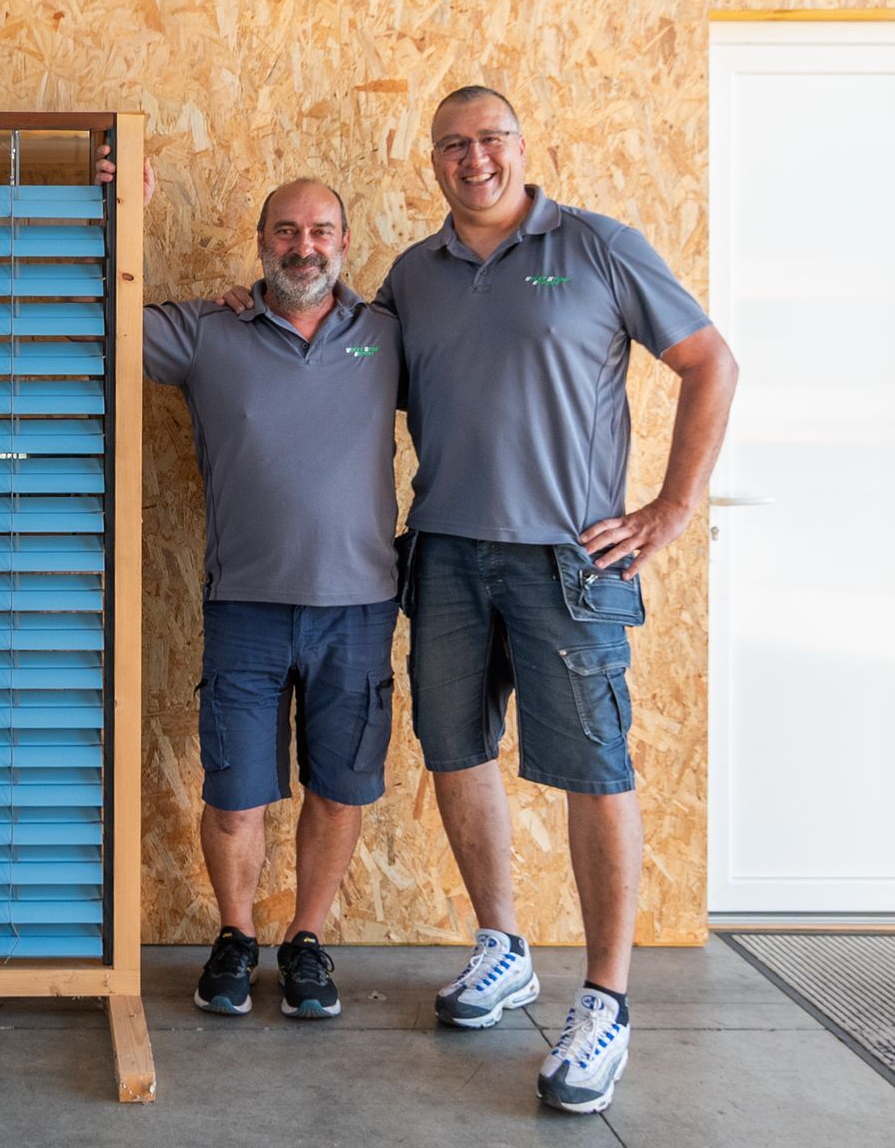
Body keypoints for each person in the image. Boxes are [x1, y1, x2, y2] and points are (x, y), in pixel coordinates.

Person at [218, 87, 738, 1113]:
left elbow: (709, 359)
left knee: (595, 765)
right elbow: (339, 358)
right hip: (447, 554)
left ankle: (606, 999)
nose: (474, 159)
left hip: (568, 560)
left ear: (522, 146)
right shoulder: (415, 274)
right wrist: (250, 308)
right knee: (456, 751)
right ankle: (503, 944)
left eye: (490, 139)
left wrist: (673, 506)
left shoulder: (597, 246)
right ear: (433, 162)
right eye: (453, 145)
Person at [100, 155, 403, 1021]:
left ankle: (306, 941)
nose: (303, 247)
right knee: (236, 792)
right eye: (286, 231)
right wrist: (122, 208)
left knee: (338, 788)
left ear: (344, 244)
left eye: (319, 232)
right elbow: (99, 318)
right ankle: (236, 936)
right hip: (247, 609)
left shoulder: (388, 335)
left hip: (360, 607)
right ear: (260, 242)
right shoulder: (206, 331)